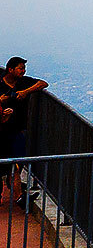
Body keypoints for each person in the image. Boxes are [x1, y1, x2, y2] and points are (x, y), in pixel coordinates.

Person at [1, 57, 47, 208]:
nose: (23, 71)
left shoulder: (24, 82)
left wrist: (25, 92)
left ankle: (19, 195)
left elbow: (43, 83)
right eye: (20, 68)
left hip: (18, 130)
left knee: (16, 164)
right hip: (2, 131)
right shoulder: (0, 85)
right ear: (10, 69)